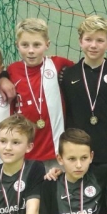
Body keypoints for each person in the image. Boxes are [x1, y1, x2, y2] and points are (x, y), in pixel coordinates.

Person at [59, 16, 107, 185]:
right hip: (81, 155)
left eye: (100, 40)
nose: (93, 45)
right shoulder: (68, 75)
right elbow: (67, 113)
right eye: (88, 39)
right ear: (80, 41)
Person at [8, 19, 75, 166]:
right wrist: (1, 79)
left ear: (47, 44)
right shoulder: (12, 71)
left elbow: (86, 68)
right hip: (24, 154)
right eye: (25, 45)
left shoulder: (58, 64)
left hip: (56, 152)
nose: (31, 51)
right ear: (17, 45)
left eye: (37, 45)